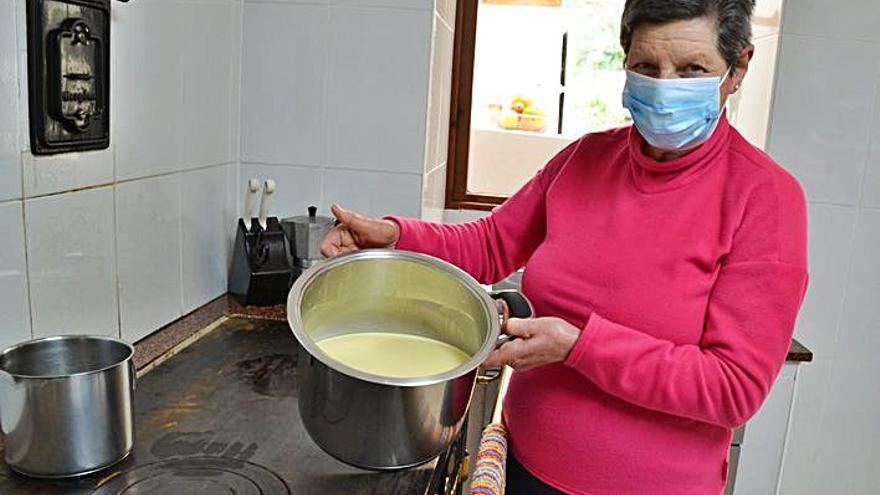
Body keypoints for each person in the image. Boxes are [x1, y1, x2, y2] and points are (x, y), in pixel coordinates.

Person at [321, 0, 808, 493]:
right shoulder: (585, 158)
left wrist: (579, 347)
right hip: (523, 468)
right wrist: (396, 236)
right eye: (646, 67)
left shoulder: (765, 198)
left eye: (691, 70)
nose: (664, 87)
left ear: (737, 67)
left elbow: (732, 387)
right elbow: (490, 244)